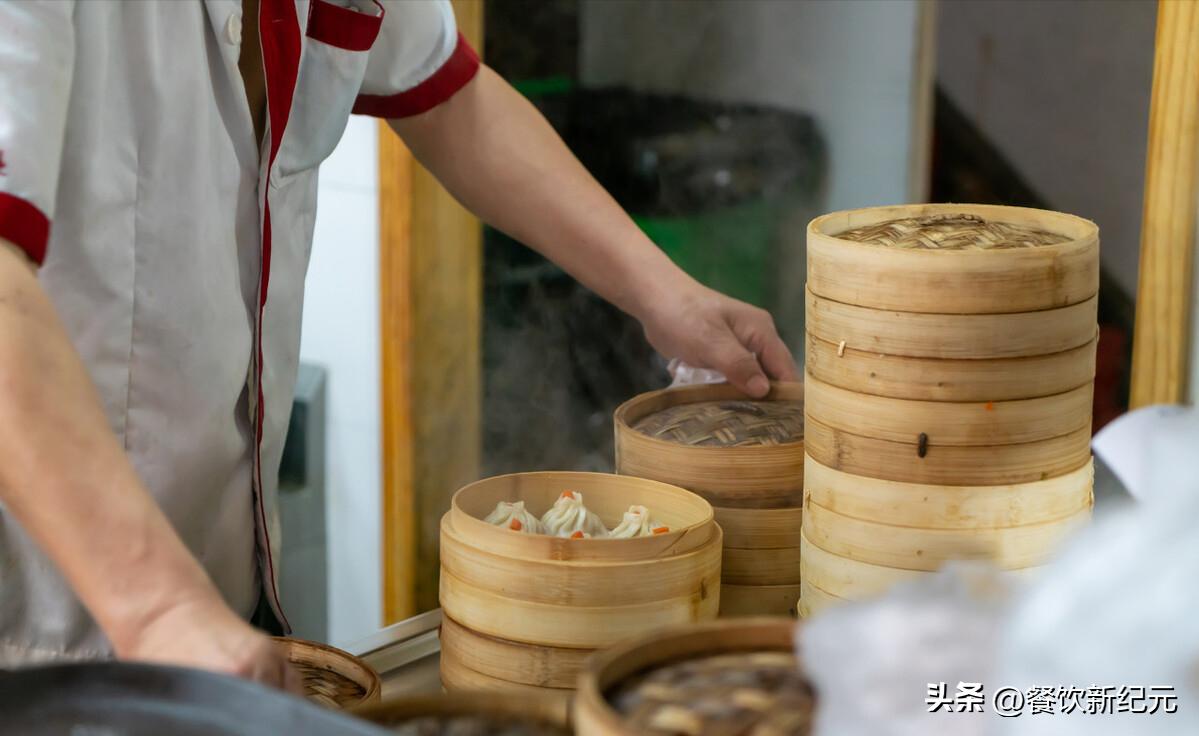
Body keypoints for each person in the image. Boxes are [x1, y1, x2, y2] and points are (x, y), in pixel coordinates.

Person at [0, 0, 797, 688]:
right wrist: (159, 603)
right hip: (41, 633)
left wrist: (667, 296)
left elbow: (453, 99)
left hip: (215, 604)